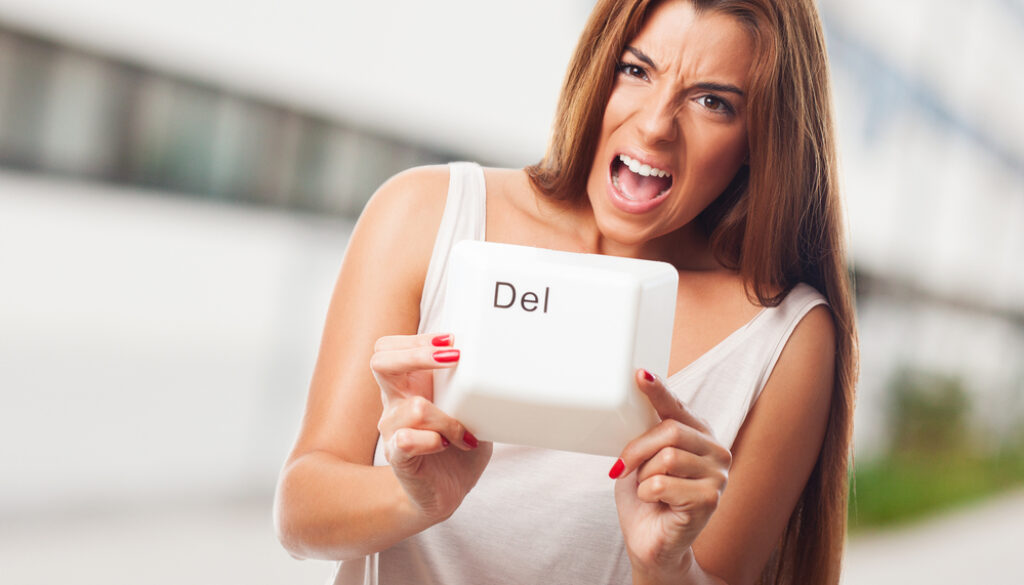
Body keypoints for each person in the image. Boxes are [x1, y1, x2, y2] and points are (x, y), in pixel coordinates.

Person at [274, 0, 857, 583]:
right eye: (636, 70)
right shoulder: (426, 214)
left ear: (762, 138)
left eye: (712, 102)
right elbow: (300, 511)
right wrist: (414, 499)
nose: (656, 124)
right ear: (597, 68)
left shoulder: (784, 335)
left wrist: (663, 564)